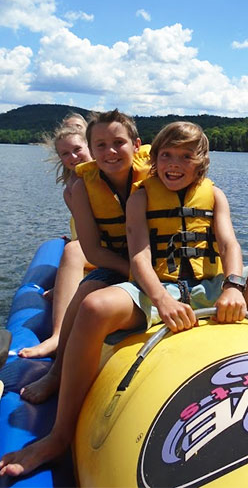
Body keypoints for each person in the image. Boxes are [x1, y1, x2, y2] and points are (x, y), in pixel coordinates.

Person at [0, 121, 248, 477]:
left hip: (210, 281)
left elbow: (228, 243)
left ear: (201, 161)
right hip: (165, 287)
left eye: (185, 157)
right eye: (166, 156)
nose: (174, 164)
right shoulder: (140, 197)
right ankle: (60, 435)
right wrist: (160, 298)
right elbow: (138, 254)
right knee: (93, 305)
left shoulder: (215, 195)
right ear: (152, 160)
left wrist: (234, 286)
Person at [20, 110, 152, 404]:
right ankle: (57, 370)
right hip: (120, 262)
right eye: (101, 145)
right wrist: (136, 273)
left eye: (118, 142)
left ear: (136, 144)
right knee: (88, 289)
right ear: (94, 151)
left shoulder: (153, 177)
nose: (110, 152)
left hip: (160, 263)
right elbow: (92, 249)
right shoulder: (80, 188)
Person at [20, 114, 95, 360]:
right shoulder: (71, 189)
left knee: (73, 251)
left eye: (77, 149)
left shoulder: (110, 173)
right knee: (73, 250)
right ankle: (58, 334)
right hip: (94, 247)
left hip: (110, 246)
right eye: (66, 153)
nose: (73, 157)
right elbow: (87, 232)